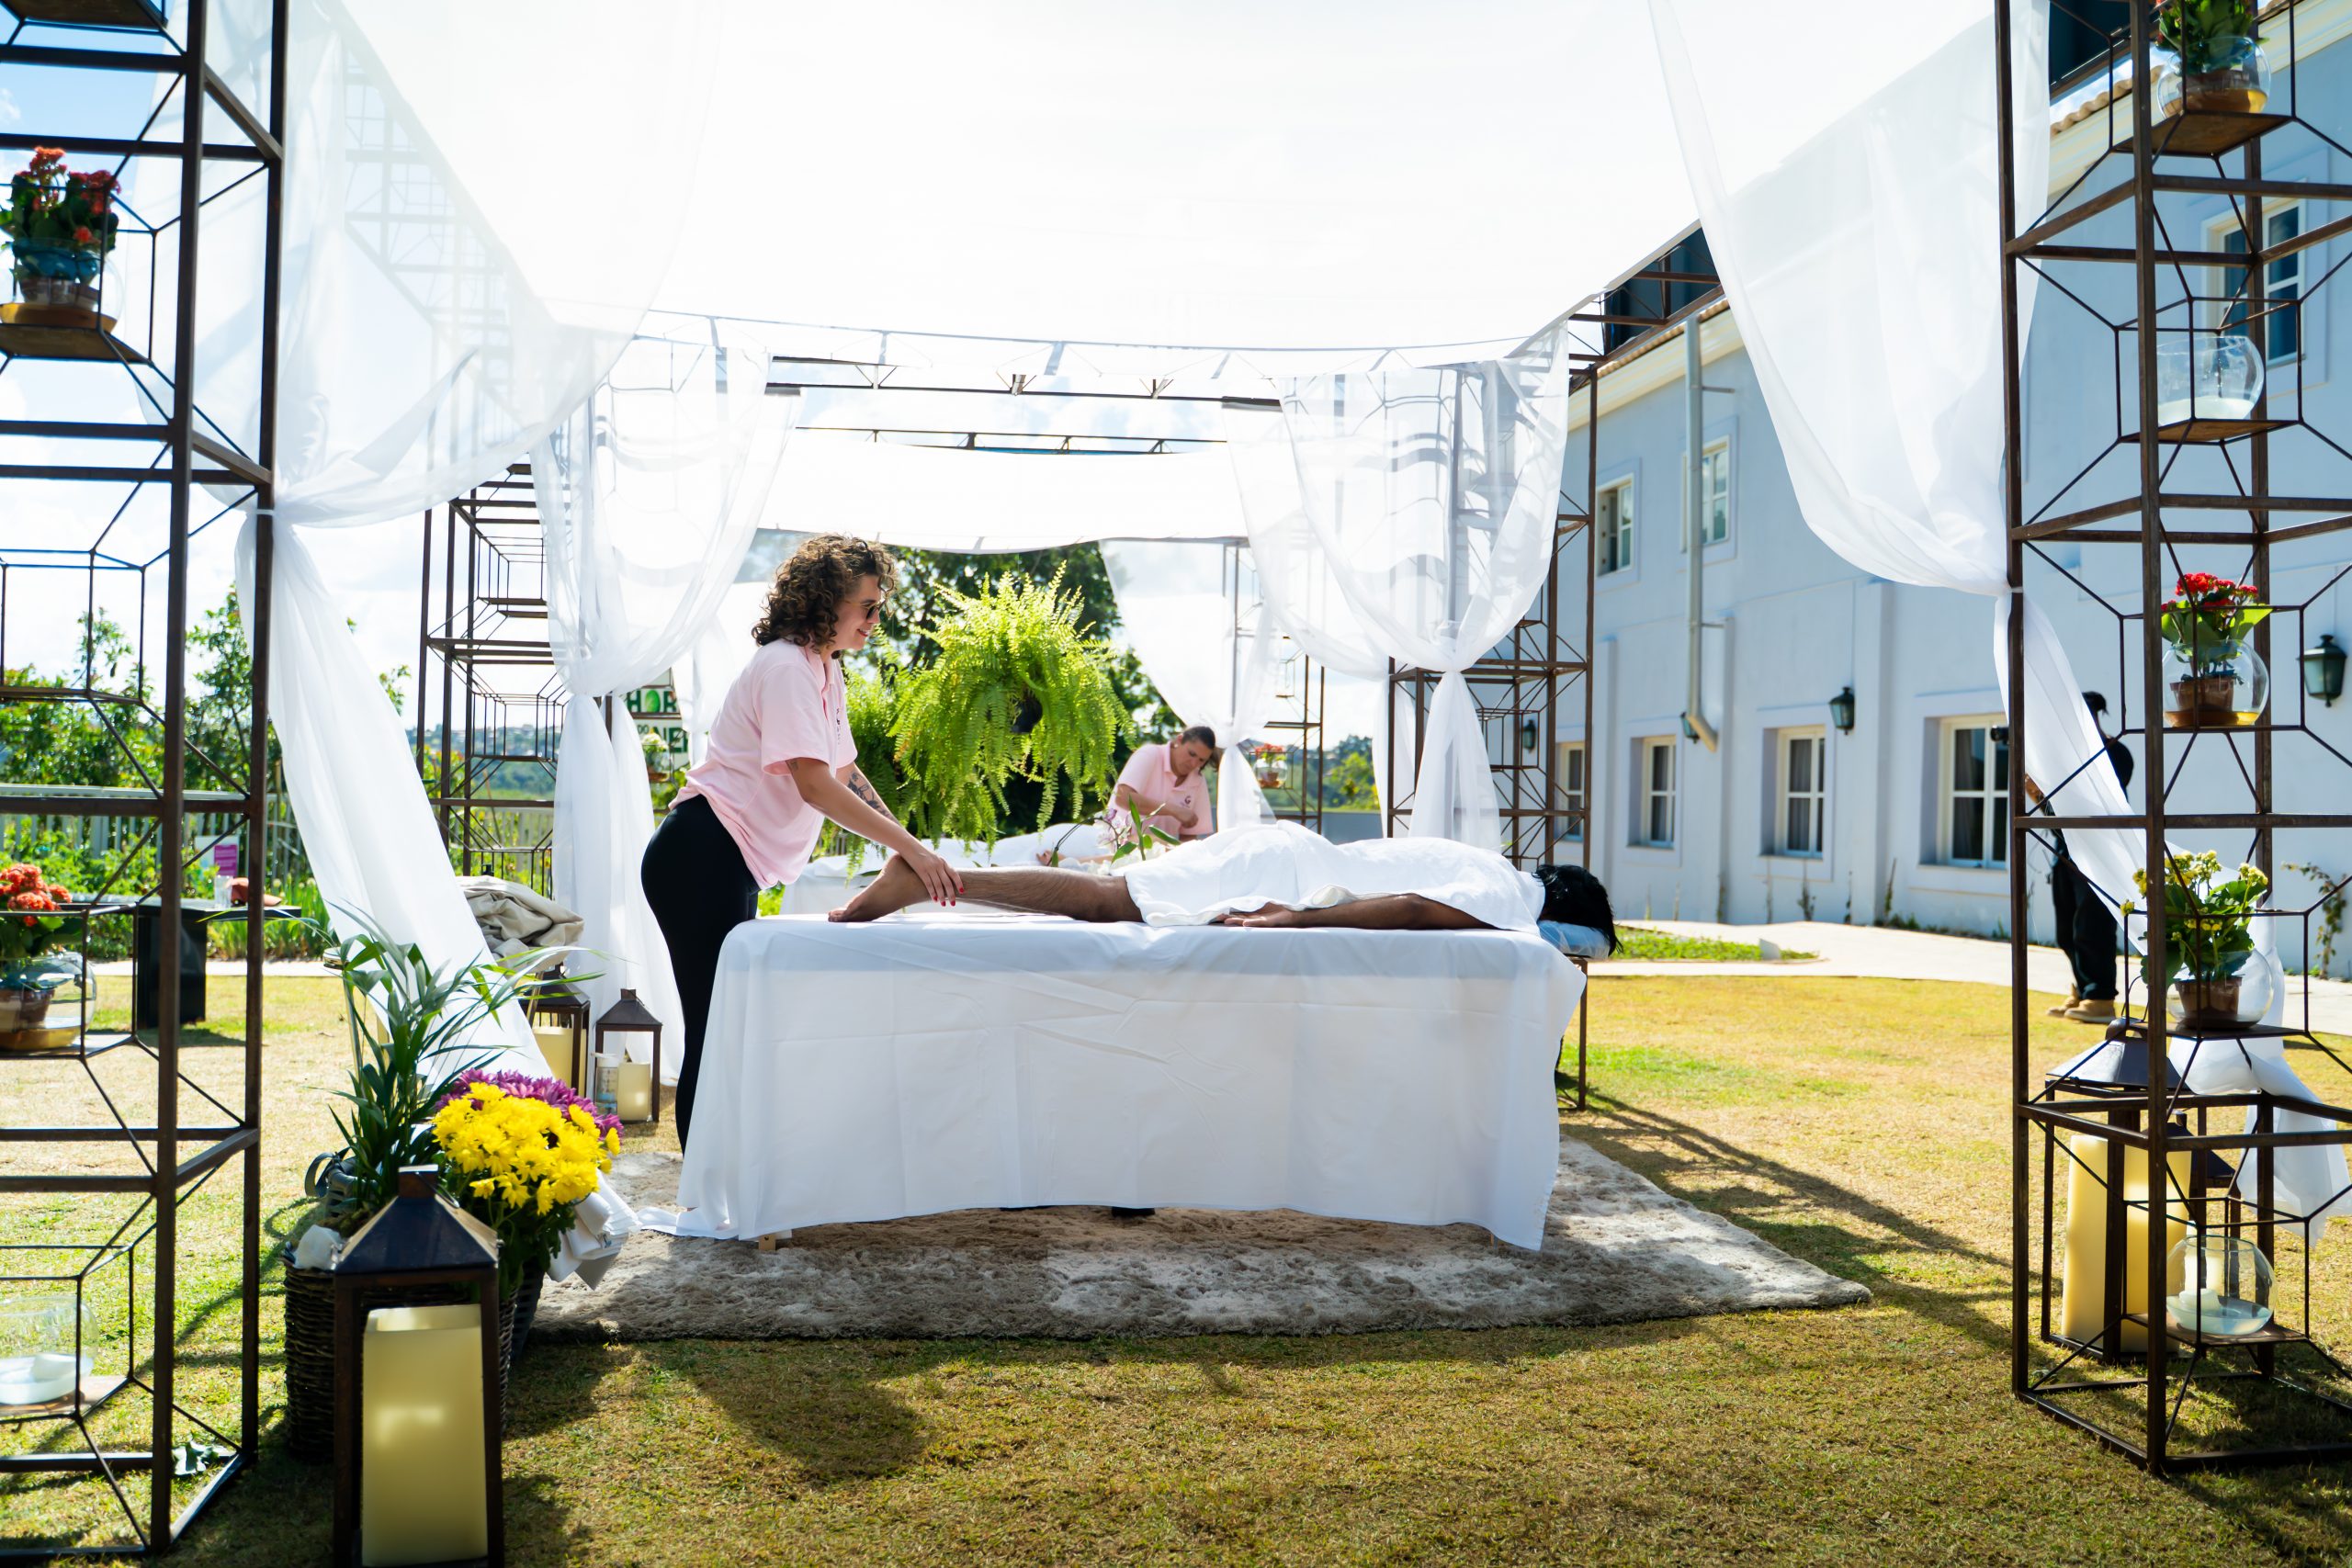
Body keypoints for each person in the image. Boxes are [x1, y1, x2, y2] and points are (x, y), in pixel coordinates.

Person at [641, 535, 965, 1147]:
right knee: (715, 1027)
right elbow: (815, 786)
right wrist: (913, 850)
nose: (876, 620)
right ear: (827, 600)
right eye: (868, 606)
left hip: (726, 860)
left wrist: (904, 846)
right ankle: (705, 1186)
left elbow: (845, 772)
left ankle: (721, 1173)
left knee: (728, 1025)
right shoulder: (786, 667)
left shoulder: (824, 668)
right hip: (700, 854)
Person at [832, 818, 1577, 935]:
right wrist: (1295, 919)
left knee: (1115, 894)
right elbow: (1412, 908)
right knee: (1110, 900)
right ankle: (930, 878)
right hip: (1287, 869)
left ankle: (931, 877)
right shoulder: (1511, 898)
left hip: (1284, 849)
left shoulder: (1488, 862)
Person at [2041, 692, 2135, 1026]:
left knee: (2092, 925)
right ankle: (2083, 989)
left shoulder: (2114, 753)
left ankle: (2100, 997)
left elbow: (2094, 799)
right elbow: (2058, 811)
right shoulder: (2064, 757)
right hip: (2066, 850)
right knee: (2066, 929)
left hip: (2099, 851)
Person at [1104, 725, 1219, 842]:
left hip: (1161, 851)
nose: (1194, 763)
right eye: (1192, 754)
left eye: (1201, 760)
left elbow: (1189, 836)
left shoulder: (1198, 780)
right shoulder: (1149, 754)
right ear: (1179, 740)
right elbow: (1123, 798)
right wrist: (1173, 810)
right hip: (1116, 843)